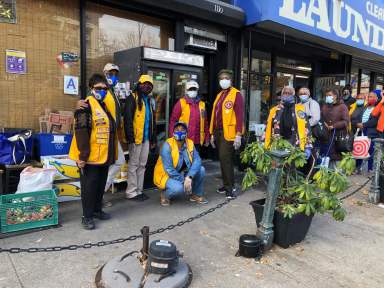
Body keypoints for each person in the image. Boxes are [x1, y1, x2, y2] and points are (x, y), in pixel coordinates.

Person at [69, 74, 117, 230]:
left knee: (99, 186)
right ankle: (87, 216)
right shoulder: (85, 107)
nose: (102, 91)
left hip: (103, 157)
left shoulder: (103, 105)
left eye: (105, 89)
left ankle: (97, 210)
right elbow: (82, 132)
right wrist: (82, 156)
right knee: (89, 188)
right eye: (98, 88)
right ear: (91, 89)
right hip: (89, 157)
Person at [76, 63, 125, 208]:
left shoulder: (112, 91)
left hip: (111, 136)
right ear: (104, 73)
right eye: (110, 73)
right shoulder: (99, 91)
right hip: (99, 137)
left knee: (112, 164)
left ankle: (98, 198)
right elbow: (87, 104)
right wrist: (78, 103)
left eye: (116, 73)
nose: (113, 76)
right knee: (112, 164)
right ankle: (97, 198)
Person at [209, 69, 244, 199]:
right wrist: (212, 133)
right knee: (223, 160)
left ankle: (230, 189)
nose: (223, 80)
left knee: (226, 160)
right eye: (221, 78)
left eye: (226, 78)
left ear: (231, 80)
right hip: (218, 132)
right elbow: (215, 114)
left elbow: (240, 115)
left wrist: (239, 134)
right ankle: (226, 184)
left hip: (229, 132)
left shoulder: (236, 94)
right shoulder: (220, 95)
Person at [154, 121, 207, 206]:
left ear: (186, 132)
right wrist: (184, 181)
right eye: (177, 129)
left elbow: (197, 160)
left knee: (201, 169)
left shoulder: (190, 143)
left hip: (182, 172)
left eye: (182, 129)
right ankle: (165, 195)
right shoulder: (167, 145)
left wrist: (189, 177)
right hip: (166, 174)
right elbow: (169, 169)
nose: (179, 131)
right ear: (173, 132)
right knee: (179, 188)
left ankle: (196, 195)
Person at [124, 74, 156, 201]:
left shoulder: (149, 100)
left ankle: (139, 190)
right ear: (139, 84)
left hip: (146, 139)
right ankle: (131, 192)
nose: (147, 86)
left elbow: (151, 121)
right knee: (134, 165)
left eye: (149, 84)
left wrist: (153, 139)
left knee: (142, 165)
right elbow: (127, 120)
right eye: (144, 83)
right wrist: (130, 139)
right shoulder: (132, 98)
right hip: (136, 139)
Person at [265, 86, 312, 159]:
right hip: (277, 145)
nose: (287, 95)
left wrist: (308, 146)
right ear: (281, 95)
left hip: (294, 145)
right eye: (285, 93)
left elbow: (306, 127)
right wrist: (264, 143)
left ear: (293, 95)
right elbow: (268, 128)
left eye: (289, 93)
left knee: (291, 168)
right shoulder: (274, 110)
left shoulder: (299, 110)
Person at [169, 80, 209, 151]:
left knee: (194, 160)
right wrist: (172, 136)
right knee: (183, 160)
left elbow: (205, 123)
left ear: (197, 90)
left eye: (194, 89)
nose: (192, 91)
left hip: (197, 141)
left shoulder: (202, 105)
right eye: (190, 89)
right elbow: (173, 121)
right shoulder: (181, 103)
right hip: (183, 139)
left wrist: (207, 138)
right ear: (187, 90)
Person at [321, 88, 349, 165]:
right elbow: (321, 117)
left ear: (335, 96)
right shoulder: (325, 106)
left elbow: (346, 121)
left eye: (329, 95)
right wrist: (323, 123)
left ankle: (336, 173)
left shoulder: (342, 107)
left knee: (336, 157)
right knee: (326, 155)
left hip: (337, 135)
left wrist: (334, 126)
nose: (327, 97)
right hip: (326, 135)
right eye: (326, 96)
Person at [356, 91, 380, 173]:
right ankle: (358, 168)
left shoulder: (378, 108)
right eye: (369, 96)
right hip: (362, 131)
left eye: (372, 97)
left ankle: (370, 169)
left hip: (371, 132)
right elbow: (361, 117)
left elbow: (374, 121)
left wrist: (363, 125)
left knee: (370, 151)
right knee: (360, 149)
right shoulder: (366, 107)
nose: (370, 98)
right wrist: (359, 124)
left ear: (377, 98)